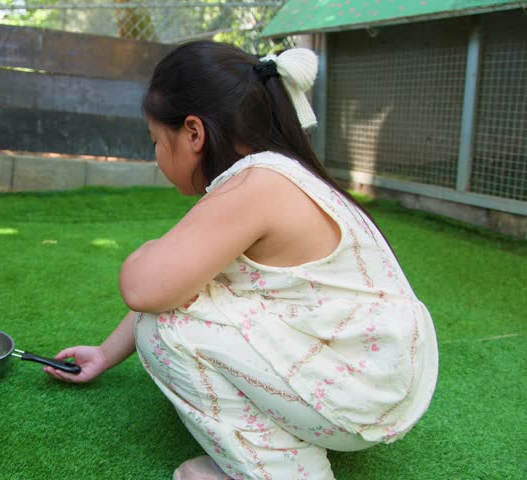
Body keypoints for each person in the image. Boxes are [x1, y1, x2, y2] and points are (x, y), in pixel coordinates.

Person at [43, 41, 438, 480]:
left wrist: (148, 251)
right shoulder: (273, 173)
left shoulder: (258, 183)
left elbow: (146, 291)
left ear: (193, 133)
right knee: (183, 307)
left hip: (360, 393)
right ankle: (295, 434)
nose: (156, 156)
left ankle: (284, 472)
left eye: (156, 140)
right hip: (375, 379)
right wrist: (104, 353)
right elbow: (190, 287)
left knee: (166, 331)